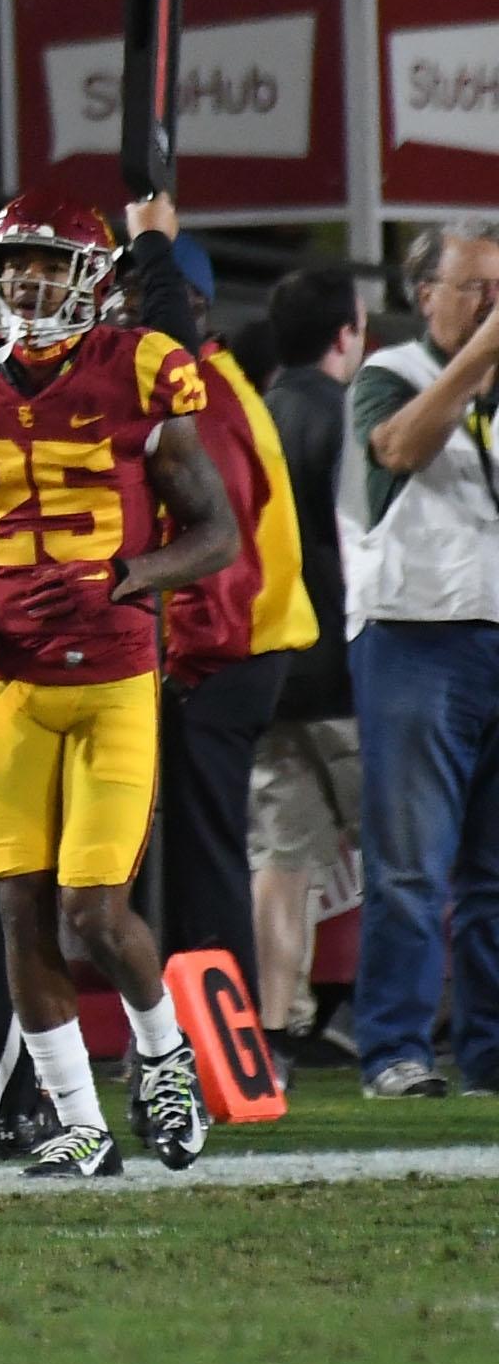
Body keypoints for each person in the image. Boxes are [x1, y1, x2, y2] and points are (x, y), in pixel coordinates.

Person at [0, 193, 231, 1177]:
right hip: (8, 683)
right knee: (19, 912)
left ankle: (163, 1057)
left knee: (94, 911)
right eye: (15, 265)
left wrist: (129, 574)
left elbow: (214, 532)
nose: (28, 283)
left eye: (49, 266)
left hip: (112, 679)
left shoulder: (140, 368)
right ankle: (81, 1124)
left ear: (90, 280)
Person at [119, 193, 314, 1005]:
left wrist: (187, 661)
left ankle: (222, 1028)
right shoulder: (214, 379)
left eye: (137, 298)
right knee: (200, 852)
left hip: (223, 651)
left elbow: (219, 551)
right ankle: (212, 1024)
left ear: (187, 305)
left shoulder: (205, 394)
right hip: (236, 645)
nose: (121, 315)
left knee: (203, 856)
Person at [339, 222, 499, 1099]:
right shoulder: (389, 373)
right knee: (409, 866)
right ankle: (394, 1049)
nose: (492, 304)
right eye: (476, 287)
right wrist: (479, 357)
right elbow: (401, 449)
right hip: (415, 635)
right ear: (426, 293)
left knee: (495, 874)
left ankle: (490, 1051)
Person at [251, 267, 365, 1066]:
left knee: (281, 858)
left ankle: (271, 1029)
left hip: (268, 669)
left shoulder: (251, 416)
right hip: (351, 673)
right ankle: (384, 1018)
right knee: (413, 856)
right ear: (345, 335)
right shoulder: (352, 417)